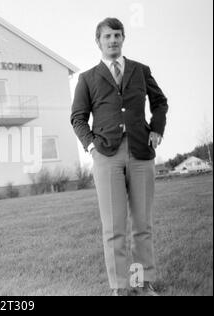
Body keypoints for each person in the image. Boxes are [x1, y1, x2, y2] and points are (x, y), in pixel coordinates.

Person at [70, 17, 169, 296]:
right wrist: (91, 147)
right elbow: (78, 118)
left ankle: (140, 284)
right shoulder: (87, 78)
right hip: (106, 156)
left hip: (140, 152)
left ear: (123, 38)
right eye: (107, 36)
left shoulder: (140, 70)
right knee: (113, 227)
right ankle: (120, 287)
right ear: (98, 42)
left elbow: (160, 102)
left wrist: (157, 130)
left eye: (117, 35)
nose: (112, 40)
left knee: (141, 225)